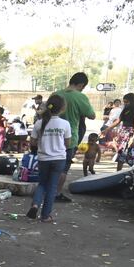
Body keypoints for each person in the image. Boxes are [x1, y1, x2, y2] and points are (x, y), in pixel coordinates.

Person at [26, 94, 71, 222]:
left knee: (42, 184)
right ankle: (45, 216)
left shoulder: (39, 123)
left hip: (43, 159)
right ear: (62, 108)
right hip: (59, 159)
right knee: (52, 187)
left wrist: (43, 142)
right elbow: (67, 144)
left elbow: (32, 142)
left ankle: (35, 204)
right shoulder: (65, 124)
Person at [53, 72, 95, 202]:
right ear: (81, 85)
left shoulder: (56, 94)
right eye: (83, 87)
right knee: (63, 167)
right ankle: (56, 193)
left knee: (50, 165)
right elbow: (91, 115)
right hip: (70, 137)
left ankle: (46, 190)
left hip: (51, 136)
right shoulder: (80, 97)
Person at [101, 92, 134, 171]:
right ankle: (118, 172)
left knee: (131, 154)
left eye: (127, 102)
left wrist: (133, 138)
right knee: (121, 153)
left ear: (132, 101)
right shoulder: (125, 109)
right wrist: (106, 129)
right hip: (123, 132)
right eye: (124, 102)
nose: (125, 104)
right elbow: (117, 121)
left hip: (130, 133)